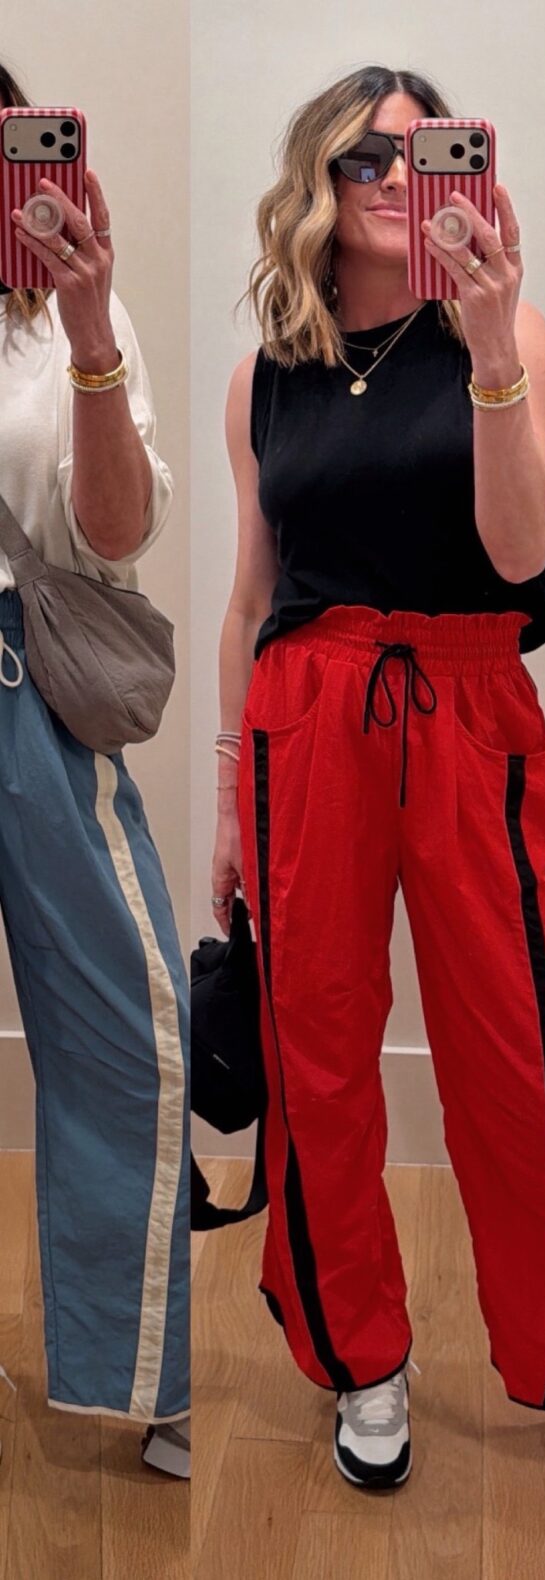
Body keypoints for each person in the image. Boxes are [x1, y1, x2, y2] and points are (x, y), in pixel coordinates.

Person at [213, 65, 545, 1491]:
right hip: (306, 714)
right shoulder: (268, 371)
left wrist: (489, 344)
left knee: (521, 1041)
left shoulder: (511, 333)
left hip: (470, 698)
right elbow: (253, 596)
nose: (392, 182)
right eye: (366, 159)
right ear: (318, 180)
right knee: (315, 1049)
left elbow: (516, 551)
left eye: (424, 158)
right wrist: (229, 798)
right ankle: (361, 1355)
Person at [0, 61, 189, 1477]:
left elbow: (115, 535)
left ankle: (138, 1368)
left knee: (131, 1030)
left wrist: (84, 327)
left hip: (32, 690)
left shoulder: (69, 314)